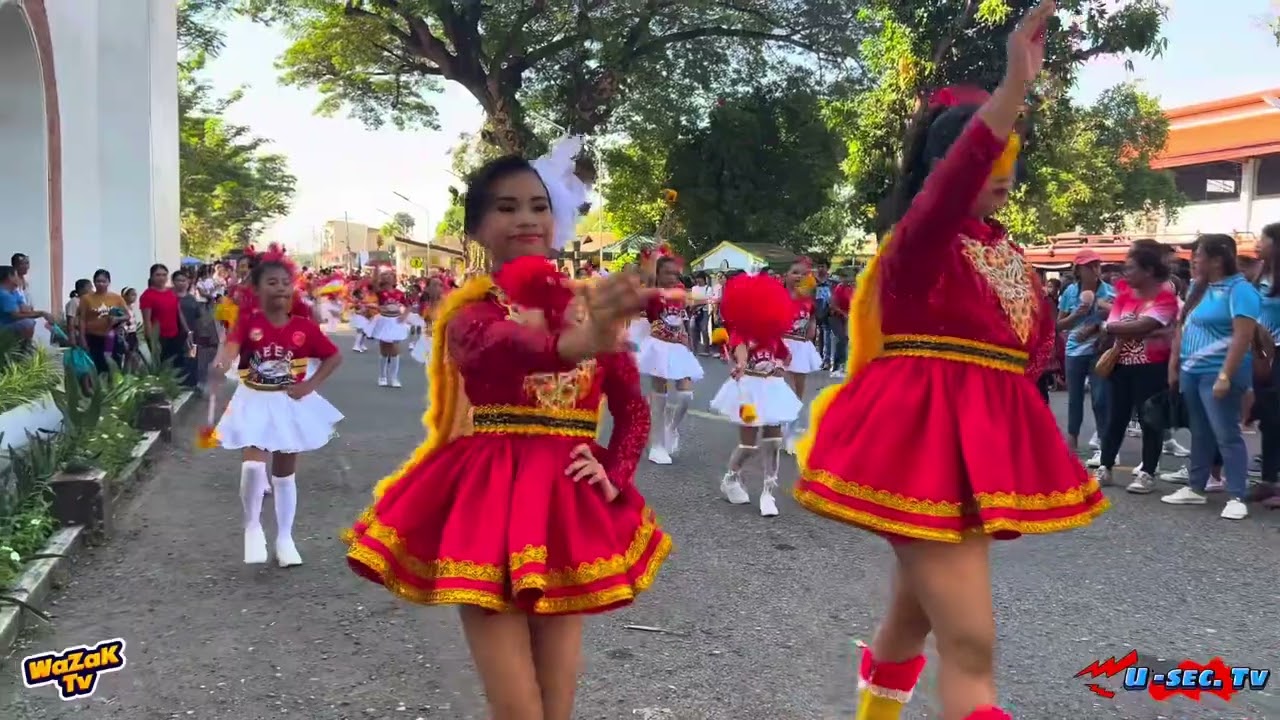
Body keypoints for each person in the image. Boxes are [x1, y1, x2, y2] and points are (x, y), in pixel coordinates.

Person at [793, 5, 1106, 718]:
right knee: (972, 644)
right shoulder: (921, 239)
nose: (1003, 170)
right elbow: (956, 179)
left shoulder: (1006, 250)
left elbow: (1030, 357)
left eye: (1009, 158)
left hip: (977, 455)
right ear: (945, 169)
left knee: (915, 618)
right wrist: (1013, 88)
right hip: (918, 447)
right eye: (989, 155)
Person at [344, 153, 670, 720]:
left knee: (557, 706)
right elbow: (500, 353)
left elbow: (633, 410)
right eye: (507, 206)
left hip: (569, 505)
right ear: (476, 228)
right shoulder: (470, 315)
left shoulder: (590, 307)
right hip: (489, 504)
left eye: (539, 207)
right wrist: (578, 338)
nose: (526, 219)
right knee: (518, 710)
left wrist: (615, 475)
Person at [212, 247, 344, 567]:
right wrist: (224, 360)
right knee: (254, 467)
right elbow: (231, 347)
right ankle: (252, 526)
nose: (281, 288)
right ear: (255, 290)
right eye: (272, 282)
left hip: (289, 403)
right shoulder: (247, 322)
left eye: (286, 282)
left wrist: (309, 386)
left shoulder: (303, 327)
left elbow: (333, 357)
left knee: (284, 475)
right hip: (254, 400)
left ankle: (285, 538)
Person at [1163, 233, 1261, 519]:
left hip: (1219, 372)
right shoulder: (1199, 287)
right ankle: (1195, 487)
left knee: (1226, 433)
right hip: (1193, 372)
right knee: (1201, 431)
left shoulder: (1240, 290)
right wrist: (1176, 365)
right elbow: (1185, 327)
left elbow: (1243, 336)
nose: (1194, 260)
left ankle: (1237, 496)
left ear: (1217, 260)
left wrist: (1225, 376)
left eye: (1199, 255)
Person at [709, 272, 802, 516]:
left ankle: (768, 493)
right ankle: (731, 477)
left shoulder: (773, 336)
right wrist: (740, 364)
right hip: (748, 389)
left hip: (771, 389)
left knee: (773, 441)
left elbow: (786, 356)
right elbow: (739, 350)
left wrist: (781, 365)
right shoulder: (741, 333)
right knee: (748, 445)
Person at [636, 254, 703, 465]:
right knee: (660, 394)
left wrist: (687, 341)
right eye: (667, 273)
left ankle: (671, 428)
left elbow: (681, 319)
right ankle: (656, 444)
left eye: (676, 273)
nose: (673, 277)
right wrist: (650, 260)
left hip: (678, 346)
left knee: (686, 395)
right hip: (658, 346)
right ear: (657, 274)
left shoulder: (680, 293)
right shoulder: (652, 294)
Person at [140, 263, 192, 373]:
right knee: (163, 369)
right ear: (152, 277)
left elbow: (179, 312)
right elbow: (147, 321)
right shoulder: (147, 296)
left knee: (178, 366)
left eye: (164, 275)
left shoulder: (171, 292)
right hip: (159, 339)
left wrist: (188, 331)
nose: (161, 278)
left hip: (175, 336)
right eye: (158, 275)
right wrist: (152, 342)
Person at [365, 266, 410, 388]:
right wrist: (376, 269)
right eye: (386, 275)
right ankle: (382, 376)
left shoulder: (399, 293)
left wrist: (404, 316)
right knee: (384, 350)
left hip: (396, 321)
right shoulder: (380, 292)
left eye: (390, 275)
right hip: (384, 320)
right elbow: (374, 283)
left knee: (395, 350)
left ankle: (394, 378)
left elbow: (408, 305)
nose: (388, 276)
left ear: (394, 279)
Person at [77, 269, 129, 373]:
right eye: (98, 281)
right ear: (94, 282)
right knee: (97, 365)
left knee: (113, 366)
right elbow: (82, 319)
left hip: (112, 337)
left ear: (108, 282)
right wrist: (82, 337)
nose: (100, 284)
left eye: (103, 281)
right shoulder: (86, 299)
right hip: (93, 337)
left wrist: (117, 319)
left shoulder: (116, 298)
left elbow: (127, 316)